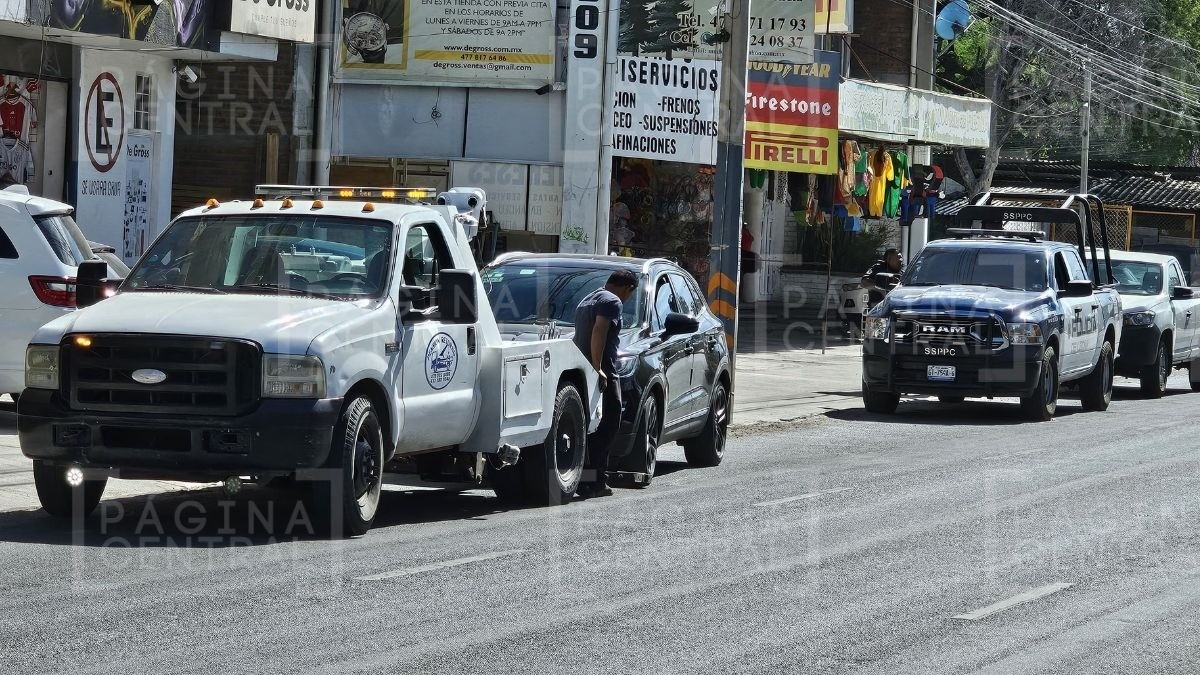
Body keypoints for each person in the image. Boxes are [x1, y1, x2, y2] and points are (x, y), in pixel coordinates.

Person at [572, 268, 639, 498]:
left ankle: (586, 480)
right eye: (630, 294)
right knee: (609, 425)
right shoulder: (612, 301)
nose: (628, 298)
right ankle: (595, 481)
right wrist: (599, 367)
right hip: (603, 371)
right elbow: (599, 330)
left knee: (591, 428)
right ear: (627, 288)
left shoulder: (588, 298)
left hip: (583, 370)